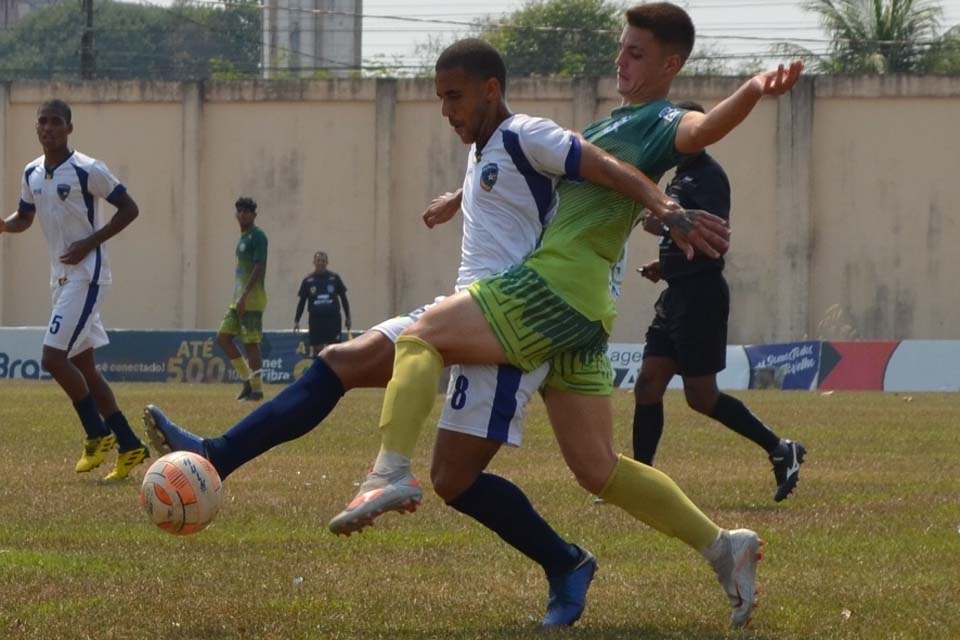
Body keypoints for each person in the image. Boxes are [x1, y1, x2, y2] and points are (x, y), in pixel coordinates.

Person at [143, 38, 725, 627]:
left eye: (455, 96)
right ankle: (217, 454)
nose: (446, 110)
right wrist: (458, 198)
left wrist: (664, 206)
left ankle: (562, 560)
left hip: (512, 328)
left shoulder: (527, 130)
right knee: (341, 362)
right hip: (465, 309)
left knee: (455, 478)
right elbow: (512, 191)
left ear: (490, 90)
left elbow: (599, 165)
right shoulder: (486, 147)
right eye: (440, 98)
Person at [331, 3, 802, 628]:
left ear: (670, 64)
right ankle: (725, 547)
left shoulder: (664, 118)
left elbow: (702, 129)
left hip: (554, 290)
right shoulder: (616, 121)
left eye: (636, 53)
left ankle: (389, 472)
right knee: (598, 469)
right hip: (586, 310)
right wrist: (459, 197)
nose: (621, 60)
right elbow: (551, 177)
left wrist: (752, 89)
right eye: (621, 48)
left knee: (423, 335)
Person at [633, 101, 806, 501]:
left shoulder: (705, 177)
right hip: (677, 293)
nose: (673, 140)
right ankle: (640, 482)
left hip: (701, 297)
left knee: (701, 396)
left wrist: (658, 217)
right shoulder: (683, 175)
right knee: (648, 383)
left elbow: (683, 225)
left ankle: (782, 449)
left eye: (679, 131)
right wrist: (665, 265)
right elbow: (677, 231)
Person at [0, 99, 149, 480]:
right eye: (42, 122)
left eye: (56, 122)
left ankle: (97, 434)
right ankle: (130, 446)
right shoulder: (32, 172)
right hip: (61, 279)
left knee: (52, 358)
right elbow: (25, 217)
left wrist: (89, 243)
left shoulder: (88, 170)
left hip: (88, 274)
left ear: (69, 128)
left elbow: (129, 209)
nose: (48, 128)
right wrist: (3, 224)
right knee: (85, 367)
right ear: (36, 128)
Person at [218, 196, 268, 402]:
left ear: (254, 215)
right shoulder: (243, 238)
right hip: (238, 300)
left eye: (247, 211)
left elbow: (259, 266)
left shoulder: (258, 236)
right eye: (239, 211)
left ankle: (257, 390)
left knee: (251, 345)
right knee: (223, 337)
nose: (242, 215)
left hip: (251, 300)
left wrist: (245, 297)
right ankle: (247, 380)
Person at [294, 251, 351, 357]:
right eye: (318, 260)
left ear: (327, 262)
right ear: (314, 262)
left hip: (333, 320)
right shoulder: (308, 280)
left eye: (323, 261)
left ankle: (333, 373)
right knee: (317, 350)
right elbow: (302, 302)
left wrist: (348, 317)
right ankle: (320, 372)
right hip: (316, 321)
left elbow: (344, 299)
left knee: (334, 350)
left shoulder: (334, 278)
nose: (321, 263)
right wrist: (297, 320)